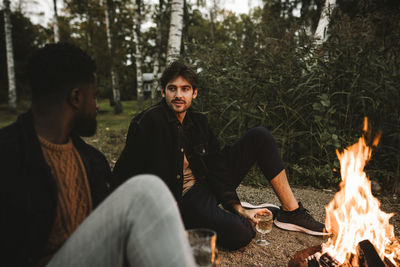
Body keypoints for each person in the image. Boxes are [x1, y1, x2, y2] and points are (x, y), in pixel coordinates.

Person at [0, 43, 196, 267]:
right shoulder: (8, 157)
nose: (96, 107)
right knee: (147, 190)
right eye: (94, 97)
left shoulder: (92, 161)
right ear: (76, 98)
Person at [113, 61, 328, 250]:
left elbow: (216, 168)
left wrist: (237, 208)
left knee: (259, 136)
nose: (179, 95)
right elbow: (124, 174)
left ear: (194, 93)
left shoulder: (199, 122)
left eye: (185, 89)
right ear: (163, 92)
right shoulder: (146, 123)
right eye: (173, 89)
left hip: (206, 184)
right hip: (182, 201)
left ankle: (291, 212)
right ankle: (204, 222)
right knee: (241, 234)